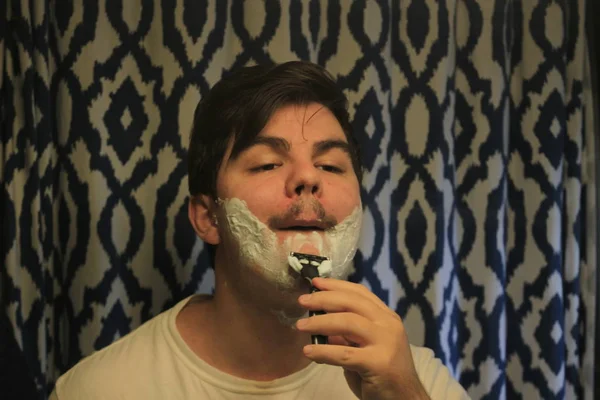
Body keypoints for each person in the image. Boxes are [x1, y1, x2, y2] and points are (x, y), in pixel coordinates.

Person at [50, 61, 470, 399]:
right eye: (268, 163)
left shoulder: (415, 381)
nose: (309, 177)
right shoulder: (99, 389)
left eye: (331, 165)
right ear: (207, 218)